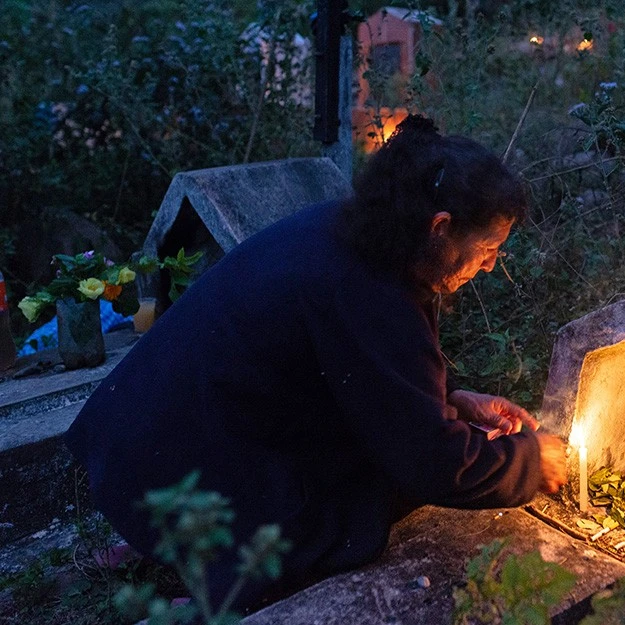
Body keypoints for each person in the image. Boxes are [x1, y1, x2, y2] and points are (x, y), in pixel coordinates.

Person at [64, 115, 567, 613]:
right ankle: (212, 585)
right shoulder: (371, 290)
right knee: (360, 506)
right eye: (488, 249)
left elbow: (369, 370)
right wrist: (529, 461)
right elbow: (429, 461)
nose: (490, 266)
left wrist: (451, 397)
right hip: (174, 472)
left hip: (134, 446)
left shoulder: (355, 233)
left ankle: (169, 542)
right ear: (440, 228)